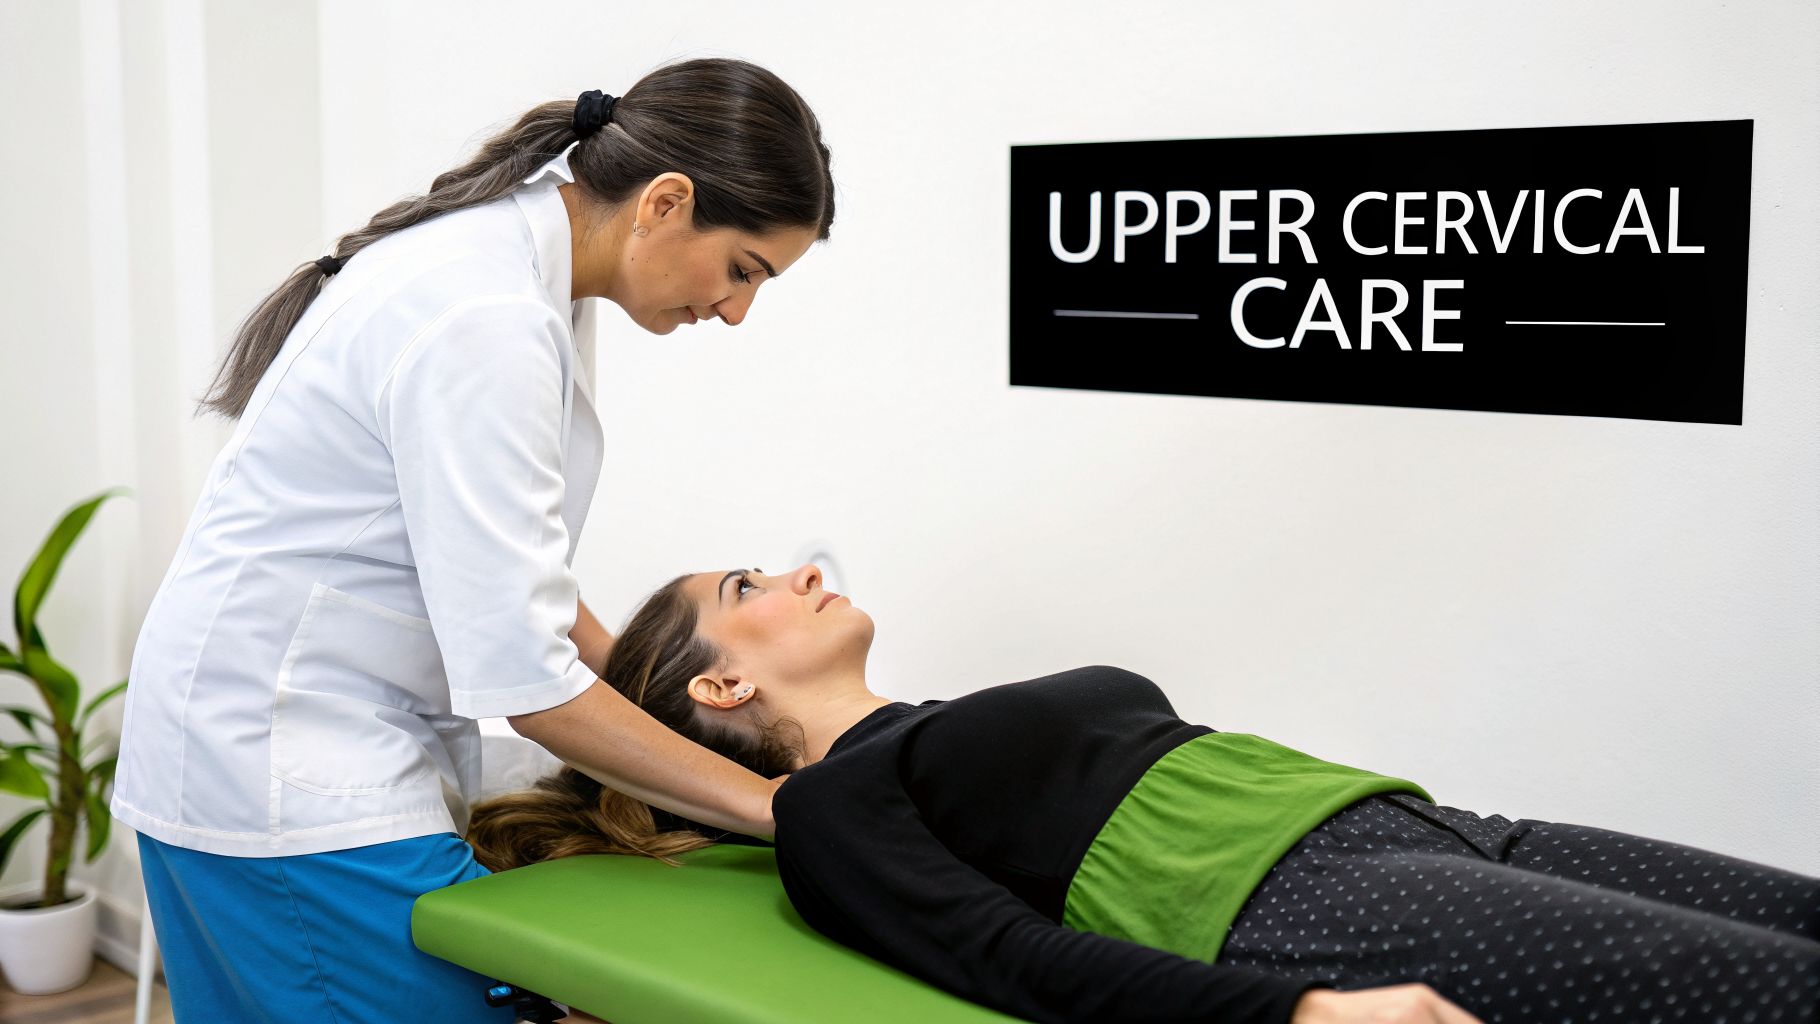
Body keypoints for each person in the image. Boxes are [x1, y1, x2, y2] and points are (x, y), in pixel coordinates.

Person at [109, 59, 834, 1022]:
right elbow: (529, 682)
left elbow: (506, 576)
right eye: (743, 269)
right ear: (665, 203)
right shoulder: (484, 314)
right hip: (287, 774)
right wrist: (772, 809)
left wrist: (646, 689)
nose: (738, 311)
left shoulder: (511, 275)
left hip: (248, 745)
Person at [468, 563, 1820, 1024]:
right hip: (1302, 905)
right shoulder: (829, 810)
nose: (800, 573)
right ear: (718, 686)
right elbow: (1007, 958)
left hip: (1436, 828)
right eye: (748, 586)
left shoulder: (928, 727)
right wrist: (1298, 1011)